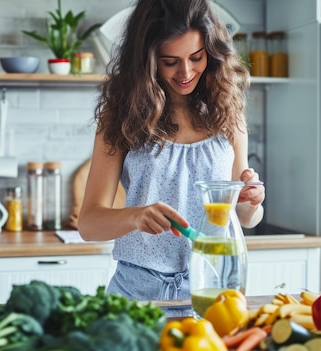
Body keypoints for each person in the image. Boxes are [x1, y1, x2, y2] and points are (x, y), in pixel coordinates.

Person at [78, 0, 265, 302]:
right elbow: (88, 224)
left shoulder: (228, 114)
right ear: (147, 61)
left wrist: (252, 201)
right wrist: (135, 216)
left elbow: (243, 217)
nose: (186, 72)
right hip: (136, 294)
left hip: (211, 290)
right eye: (170, 61)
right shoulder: (121, 117)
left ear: (211, 51)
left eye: (196, 57)